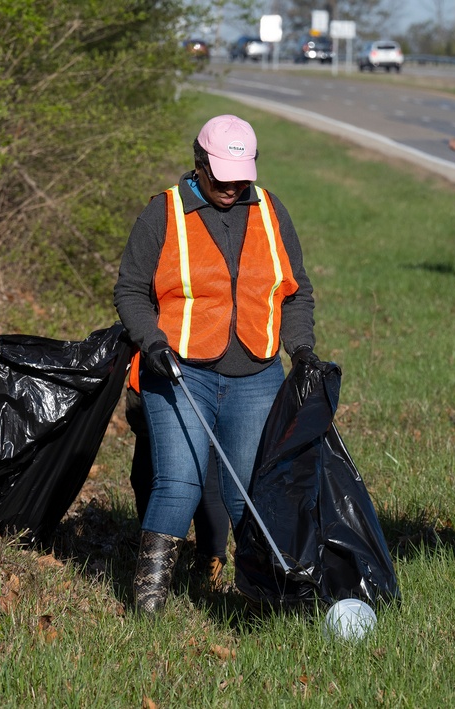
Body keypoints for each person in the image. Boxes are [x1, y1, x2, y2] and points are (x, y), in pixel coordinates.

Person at [114, 114, 318, 614]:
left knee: (248, 491)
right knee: (179, 482)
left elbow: (297, 294)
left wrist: (302, 348)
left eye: (241, 177)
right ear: (199, 163)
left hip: (257, 375)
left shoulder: (271, 211)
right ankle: (148, 605)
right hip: (181, 373)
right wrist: (152, 340)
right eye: (221, 177)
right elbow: (130, 290)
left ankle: (262, 598)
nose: (232, 188)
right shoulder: (162, 213)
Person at [124, 369, 230, 588]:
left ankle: (210, 564)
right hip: (154, 371)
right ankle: (154, 559)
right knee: (145, 472)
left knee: (207, 472)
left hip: (202, 369)